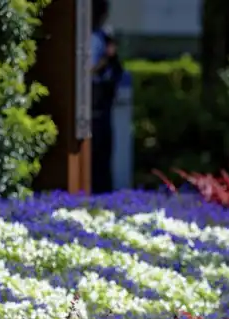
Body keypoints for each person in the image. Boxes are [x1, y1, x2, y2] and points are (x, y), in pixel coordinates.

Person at [91, 0, 122, 193]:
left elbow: (116, 70)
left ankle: (104, 192)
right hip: (91, 101)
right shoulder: (87, 37)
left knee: (103, 152)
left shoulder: (104, 36)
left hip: (103, 104)